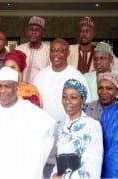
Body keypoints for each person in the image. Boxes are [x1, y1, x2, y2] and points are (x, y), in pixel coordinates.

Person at [0, 66, 55, 179]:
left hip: (18, 170)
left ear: (16, 88)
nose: (2, 90)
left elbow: (48, 132)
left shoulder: (30, 111)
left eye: (7, 86)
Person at [33, 38, 91, 177]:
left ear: (67, 53)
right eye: (53, 50)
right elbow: (33, 106)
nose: (56, 54)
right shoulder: (40, 76)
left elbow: (85, 106)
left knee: (66, 173)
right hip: (45, 135)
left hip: (69, 136)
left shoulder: (76, 76)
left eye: (61, 50)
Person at [51, 79, 103, 179]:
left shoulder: (92, 126)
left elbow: (93, 169)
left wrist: (63, 177)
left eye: (73, 97)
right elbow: (59, 163)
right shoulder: (61, 126)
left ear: (82, 100)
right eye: (64, 97)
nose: (67, 101)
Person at [16, 16, 50, 83]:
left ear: (43, 32)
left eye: (37, 30)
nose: (33, 32)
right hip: (20, 89)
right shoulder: (19, 49)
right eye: (31, 29)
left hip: (39, 90)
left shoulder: (48, 51)